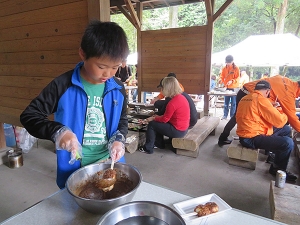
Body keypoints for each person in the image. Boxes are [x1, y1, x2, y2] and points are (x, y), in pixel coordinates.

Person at [20, 21, 129, 189]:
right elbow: (29, 116)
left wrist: (119, 140)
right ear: (83, 54)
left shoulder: (119, 89)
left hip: (111, 163)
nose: (108, 74)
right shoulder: (62, 85)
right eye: (101, 66)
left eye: (115, 67)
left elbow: (122, 120)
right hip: (74, 168)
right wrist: (58, 132)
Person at [236, 80, 297, 181]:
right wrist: (286, 113)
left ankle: (274, 156)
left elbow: (256, 112)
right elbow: (280, 121)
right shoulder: (261, 100)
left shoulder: (245, 98)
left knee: (286, 130)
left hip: (247, 133)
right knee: (288, 143)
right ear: (268, 92)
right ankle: (277, 168)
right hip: (252, 137)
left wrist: (271, 107)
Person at [218, 75, 300, 146]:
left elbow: (271, 93)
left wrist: (271, 103)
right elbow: (292, 118)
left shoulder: (286, 80)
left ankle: (226, 137)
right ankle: (227, 137)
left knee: (240, 116)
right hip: (249, 93)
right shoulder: (288, 94)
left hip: (245, 90)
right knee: (237, 117)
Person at [139, 76, 190, 154]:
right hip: (183, 128)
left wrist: (153, 118)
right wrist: (156, 117)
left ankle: (148, 148)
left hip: (178, 130)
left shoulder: (172, 102)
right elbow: (166, 117)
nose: (161, 90)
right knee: (157, 123)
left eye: (162, 87)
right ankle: (159, 144)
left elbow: (164, 119)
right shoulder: (181, 97)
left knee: (152, 125)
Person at [219, 55, 240, 120]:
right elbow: (221, 76)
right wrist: (221, 80)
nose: (227, 64)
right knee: (226, 103)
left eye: (229, 62)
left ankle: (232, 116)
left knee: (233, 103)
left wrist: (232, 81)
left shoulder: (236, 68)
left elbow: (238, 78)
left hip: (234, 88)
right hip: (226, 88)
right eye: (227, 62)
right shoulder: (224, 68)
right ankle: (225, 115)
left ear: (232, 61)